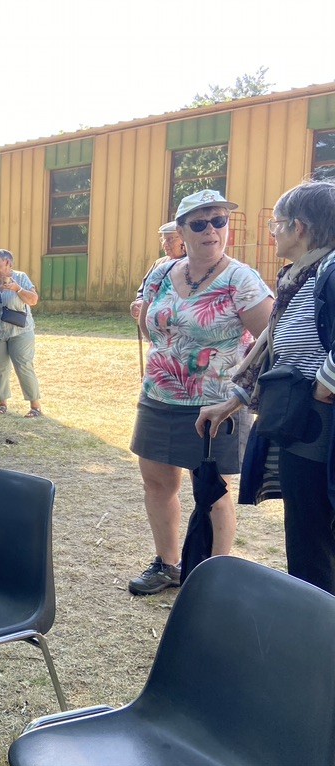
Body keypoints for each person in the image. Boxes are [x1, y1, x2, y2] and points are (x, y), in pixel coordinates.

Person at [129, 189, 274, 595]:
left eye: (219, 221)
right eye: (200, 222)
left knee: (211, 491)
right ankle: (168, 564)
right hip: (159, 394)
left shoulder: (240, 278)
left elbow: (273, 339)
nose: (211, 230)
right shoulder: (161, 272)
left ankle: (214, 580)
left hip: (215, 404)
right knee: (156, 482)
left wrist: (241, 395)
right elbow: (153, 327)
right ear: (182, 231)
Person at [197, 181, 335, 594]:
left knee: (315, 541)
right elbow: (277, 349)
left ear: (299, 227)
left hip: (320, 428)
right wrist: (234, 400)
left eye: (276, 223)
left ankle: (315, 641)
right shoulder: (305, 274)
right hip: (305, 427)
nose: (272, 232)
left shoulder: (329, 271)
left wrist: (322, 388)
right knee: (308, 533)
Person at [0, 249, 42, 417]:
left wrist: (17, 289)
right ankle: (2, 403)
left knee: (23, 365)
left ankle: (35, 405)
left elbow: (33, 300)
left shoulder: (21, 278)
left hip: (20, 331)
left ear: (8, 263)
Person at [130, 221, 187, 320]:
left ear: (183, 240)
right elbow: (144, 289)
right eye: (163, 240)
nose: (164, 244)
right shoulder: (159, 264)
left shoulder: (193, 265)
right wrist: (139, 302)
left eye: (170, 239)